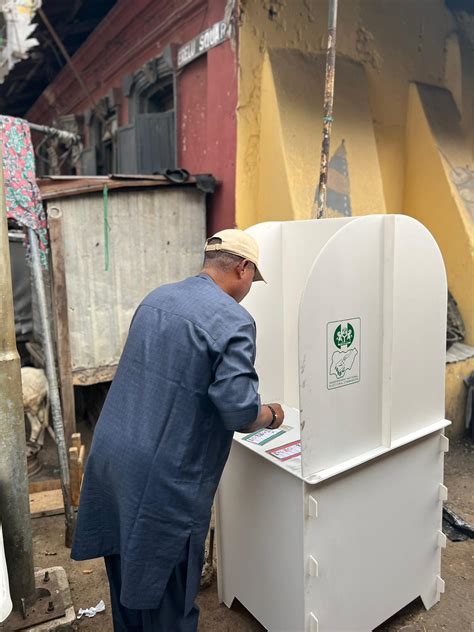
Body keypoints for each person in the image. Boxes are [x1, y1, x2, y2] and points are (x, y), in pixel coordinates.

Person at [71, 229, 285, 631]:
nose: (248, 291)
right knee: (168, 597)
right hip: (163, 481)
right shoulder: (235, 320)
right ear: (243, 268)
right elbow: (239, 410)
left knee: (126, 581)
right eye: (252, 281)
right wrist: (271, 414)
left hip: (112, 460)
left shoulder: (157, 298)